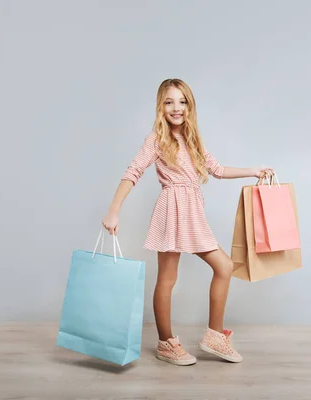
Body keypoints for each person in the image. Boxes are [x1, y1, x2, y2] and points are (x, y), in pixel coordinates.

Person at [101, 78, 273, 366]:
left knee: (224, 266)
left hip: (192, 210)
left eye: (182, 101)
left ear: (190, 106)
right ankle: (166, 343)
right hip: (171, 208)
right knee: (168, 279)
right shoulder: (155, 139)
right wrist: (113, 210)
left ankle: (214, 336)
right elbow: (133, 171)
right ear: (161, 106)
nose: (176, 108)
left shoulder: (193, 139)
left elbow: (217, 169)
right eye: (169, 102)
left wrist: (252, 170)